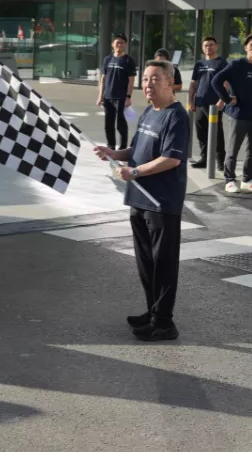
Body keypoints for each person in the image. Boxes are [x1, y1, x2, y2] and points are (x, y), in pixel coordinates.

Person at [94, 60, 188, 342]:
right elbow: (139, 149)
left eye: (155, 79)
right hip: (139, 200)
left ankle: (164, 324)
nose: (147, 84)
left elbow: (171, 158)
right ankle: (153, 311)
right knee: (146, 262)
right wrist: (115, 152)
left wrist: (133, 172)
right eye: (145, 79)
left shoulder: (176, 116)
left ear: (170, 82)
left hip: (161, 203)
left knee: (163, 263)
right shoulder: (149, 112)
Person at [212, 35, 252, 193]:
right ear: (246, 47)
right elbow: (216, 80)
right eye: (251, 45)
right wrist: (226, 98)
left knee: (251, 151)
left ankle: (247, 179)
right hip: (239, 114)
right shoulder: (237, 65)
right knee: (233, 149)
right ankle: (229, 179)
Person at [188, 37, 228, 170]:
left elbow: (226, 84)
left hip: (214, 105)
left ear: (216, 46)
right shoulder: (199, 64)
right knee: (201, 133)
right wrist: (190, 101)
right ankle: (204, 158)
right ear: (202, 47)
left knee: (217, 133)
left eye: (211, 45)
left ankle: (220, 160)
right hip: (199, 103)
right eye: (205, 45)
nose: (208, 48)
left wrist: (222, 100)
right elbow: (193, 84)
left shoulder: (221, 63)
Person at [97, 34, 137, 150]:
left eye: (122, 43)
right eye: (117, 42)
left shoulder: (128, 60)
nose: (119, 45)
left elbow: (131, 81)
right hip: (108, 96)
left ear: (125, 45)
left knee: (121, 124)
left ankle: (123, 147)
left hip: (121, 97)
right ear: (112, 45)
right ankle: (111, 145)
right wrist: (100, 96)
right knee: (108, 124)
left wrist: (128, 97)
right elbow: (103, 79)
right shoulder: (107, 59)